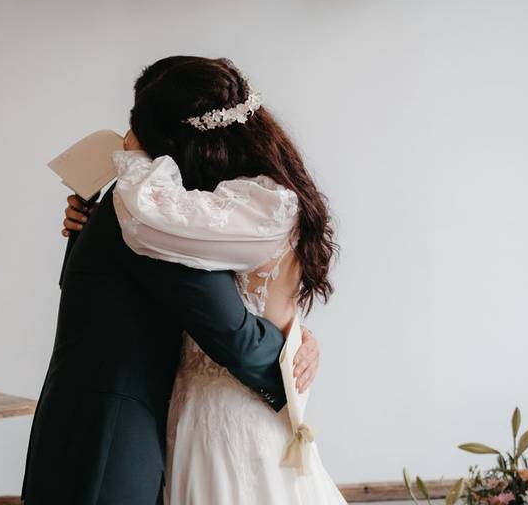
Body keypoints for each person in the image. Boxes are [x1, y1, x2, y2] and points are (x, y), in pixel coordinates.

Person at [21, 57, 321, 505]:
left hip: (97, 431)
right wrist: (292, 356)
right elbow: (232, 334)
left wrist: (299, 336)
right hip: (109, 442)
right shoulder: (154, 220)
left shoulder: (168, 214)